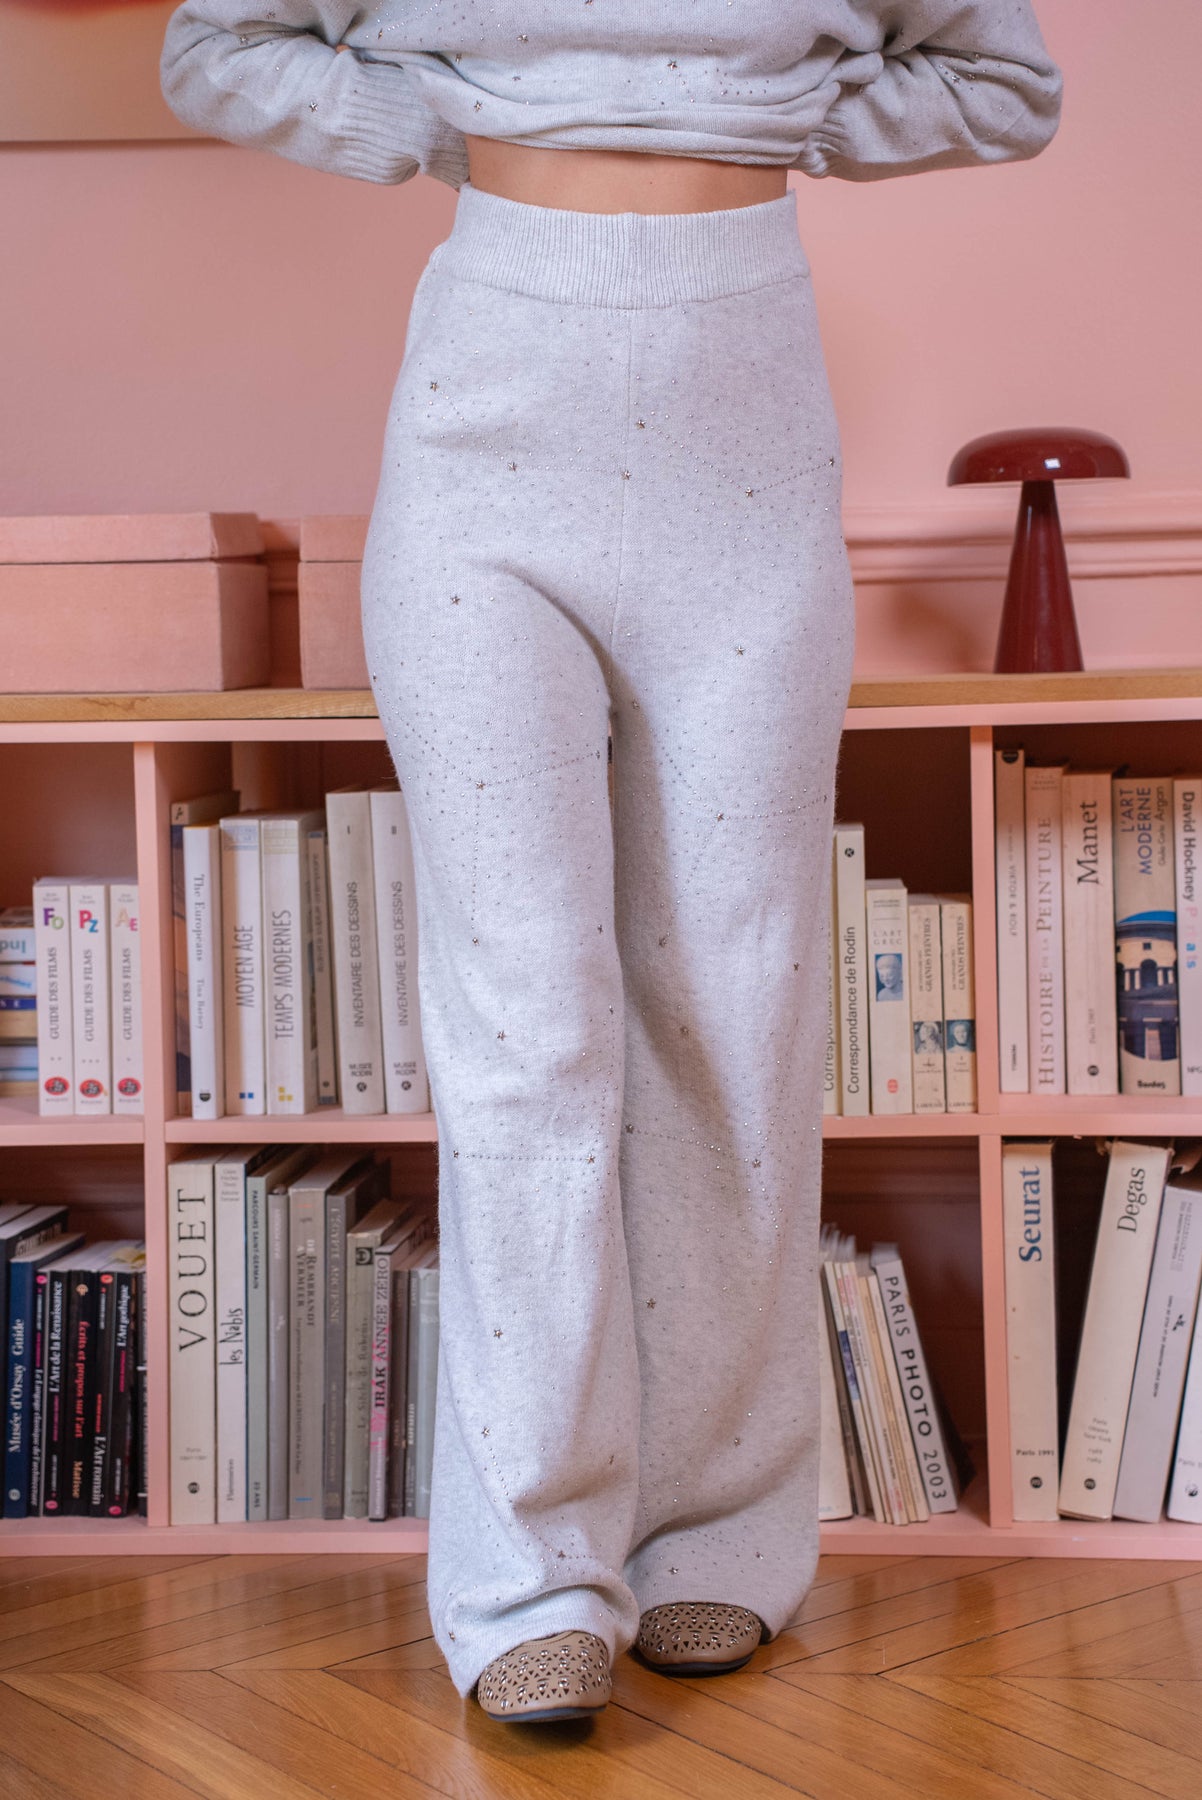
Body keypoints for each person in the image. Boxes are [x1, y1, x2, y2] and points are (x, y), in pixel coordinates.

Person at [160, 1, 1063, 1727]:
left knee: (732, 1003)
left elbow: (1006, 87)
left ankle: (717, 1534)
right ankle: (527, 1580)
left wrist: (791, 118)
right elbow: (215, 46)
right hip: (486, 427)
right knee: (529, 1026)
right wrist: (437, 126)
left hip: (748, 448)